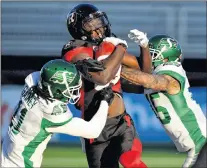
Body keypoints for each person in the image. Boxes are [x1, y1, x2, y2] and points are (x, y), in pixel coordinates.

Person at [62, 3, 151, 168]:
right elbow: (102, 77)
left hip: (121, 122)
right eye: (91, 25)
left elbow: (145, 74)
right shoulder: (75, 50)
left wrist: (144, 46)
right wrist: (120, 48)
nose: (99, 28)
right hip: (95, 127)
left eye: (99, 21)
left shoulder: (108, 45)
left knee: (131, 161)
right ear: (78, 30)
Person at [1, 59, 115, 168]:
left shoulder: (33, 82)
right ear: (56, 90)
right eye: (70, 89)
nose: (72, 93)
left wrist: (75, 68)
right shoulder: (49, 111)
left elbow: (50, 75)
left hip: (6, 157)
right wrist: (105, 101)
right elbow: (93, 131)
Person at [121, 34, 207, 168]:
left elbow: (151, 81)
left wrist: (115, 69)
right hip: (199, 146)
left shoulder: (170, 74)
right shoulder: (160, 74)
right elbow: (132, 85)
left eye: (152, 55)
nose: (148, 59)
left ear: (165, 57)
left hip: (201, 144)